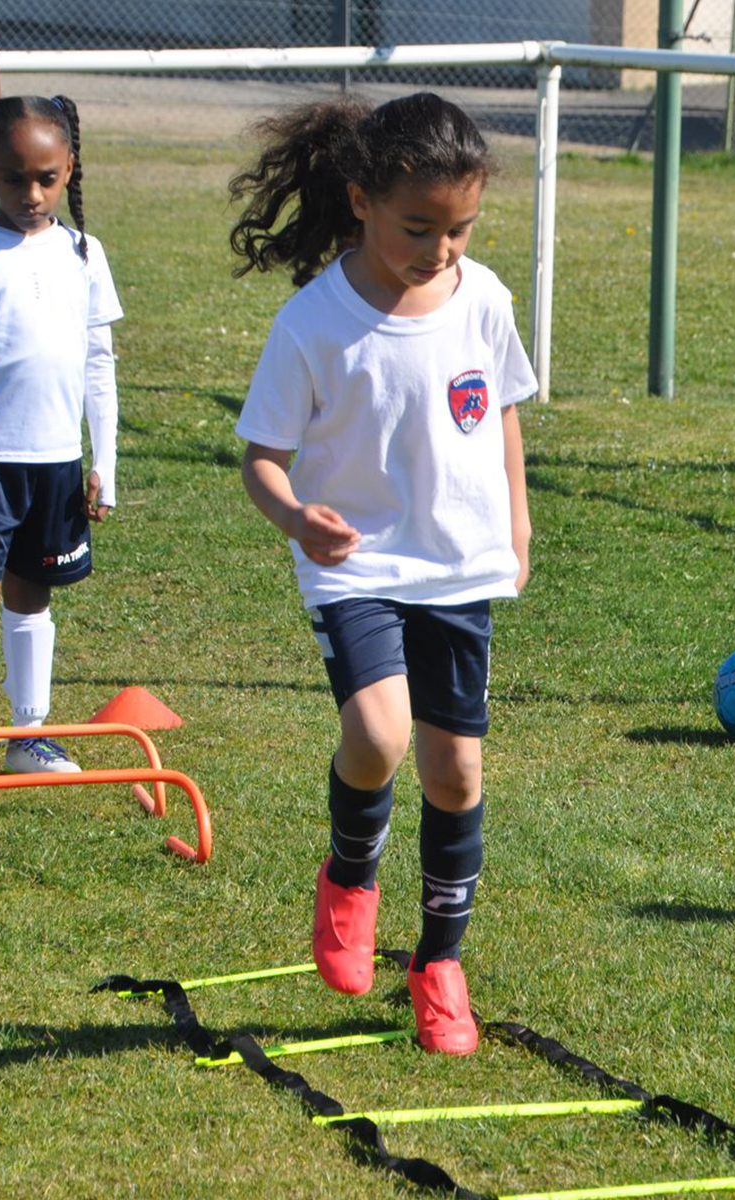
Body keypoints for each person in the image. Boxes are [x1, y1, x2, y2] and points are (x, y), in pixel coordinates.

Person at [228, 93, 536, 1055]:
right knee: (378, 734)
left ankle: (439, 963)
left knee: (457, 770)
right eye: (418, 228)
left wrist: (518, 524)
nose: (440, 248)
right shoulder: (314, 323)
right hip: (356, 563)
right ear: (360, 200)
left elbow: (505, 418)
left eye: (460, 229)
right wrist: (292, 515)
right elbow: (260, 455)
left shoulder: (483, 299)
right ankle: (351, 876)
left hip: (458, 565)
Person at [0, 95, 121, 789]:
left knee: (32, 599)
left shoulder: (84, 254)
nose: (30, 194)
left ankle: (27, 735)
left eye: (46, 178)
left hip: (58, 467)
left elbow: (100, 365)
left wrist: (107, 465)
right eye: (13, 179)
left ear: (69, 169)